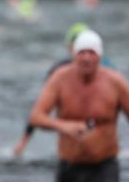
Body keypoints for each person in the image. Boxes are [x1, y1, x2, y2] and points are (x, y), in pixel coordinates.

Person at [28, 30, 129, 182]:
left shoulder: (116, 82)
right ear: (74, 55)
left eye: (91, 53)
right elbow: (36, 117)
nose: (86, 58)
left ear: (99, 56)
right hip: (69, 165)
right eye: (81, 52)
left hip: (103, 167)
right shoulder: (59, 79)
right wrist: (64, 126)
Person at [14, 23, 112, 157]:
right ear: (71, 48)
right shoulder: (58, 72)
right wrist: (24, 141)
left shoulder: (107, 71)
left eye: (90, 50)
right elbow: (39, 110)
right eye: (80, 49)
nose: (86, 57)